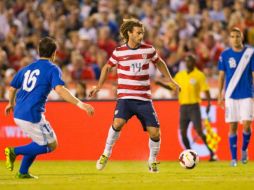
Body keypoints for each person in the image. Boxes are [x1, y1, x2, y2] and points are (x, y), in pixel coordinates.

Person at [89, 19, 180, 173]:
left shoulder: (148, 50)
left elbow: (160, 63)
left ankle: (152, 161)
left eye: (142, 33)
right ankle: (106, 153)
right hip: (125, 97)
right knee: (117, 123)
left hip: (144, 99)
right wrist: (98, 86)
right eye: (138, 33)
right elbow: (106, 67)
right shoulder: (119, 51)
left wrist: (170, 80)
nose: (141, 35)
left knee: (155, 132)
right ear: (129, 33)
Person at [4, 37, 95, 178]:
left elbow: (11, 88)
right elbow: (59, 89)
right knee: (50, 145)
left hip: (19, 113)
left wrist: (10, 103)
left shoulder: (27, 68)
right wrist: (81, 104)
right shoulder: (52, 68)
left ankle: (23, 172)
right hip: (32, 114)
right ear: (54, 54)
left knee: (37, 141)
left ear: (38, 51)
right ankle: (13, 151)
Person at [156, 53, 217, 161]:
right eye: (187, 61)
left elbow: (206, 90)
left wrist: (208, 103)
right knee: (183, 133)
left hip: (194, 106)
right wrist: (161, 84)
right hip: (183, 107)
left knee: (199, 131)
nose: (188, 63)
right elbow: (172, 87)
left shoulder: (199, 75)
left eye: (190, 61)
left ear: (194, 62)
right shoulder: (180, 75)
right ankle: (190, 154)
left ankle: (212, 153)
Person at [218, 27, 254, 167]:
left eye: (237, 36)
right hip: (230, 95)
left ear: (242, 37)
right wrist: (220, 94)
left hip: (246, 94)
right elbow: (221, 76)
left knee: (246, 125)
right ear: (229, 39)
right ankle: (233, 158)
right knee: (232, 126)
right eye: (232, 36)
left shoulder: (250, 53)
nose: (235, 38)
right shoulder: (225, 55)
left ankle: (244, 150)